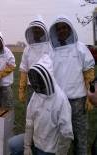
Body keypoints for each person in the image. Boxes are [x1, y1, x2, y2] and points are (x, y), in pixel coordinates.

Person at [8, 54, 73, 155]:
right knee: (13, 144)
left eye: (41, 77)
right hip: (35, 140)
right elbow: (29, 122)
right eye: (37, 76)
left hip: (49, 149)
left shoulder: (60, 100)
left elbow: (66, 134)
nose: (38, 80)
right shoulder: (36, 95)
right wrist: (27, 147)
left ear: (49, 77)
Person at [48, 14, 95, 155]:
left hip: (78, 102)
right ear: (55, 32)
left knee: (79, 138)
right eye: (59, 29)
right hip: (58, 103)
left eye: (64, 28)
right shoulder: (52, 52)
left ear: (69, 29)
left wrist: (89, 95)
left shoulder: (80, 48)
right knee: (58, 138)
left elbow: (89, 73)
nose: (61, 31)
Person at [19, 14, 51, 105]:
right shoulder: (27, 49)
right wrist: (22, 90)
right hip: (31, 86)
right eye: (34, 28)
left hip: (46, 85)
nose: (36, 30)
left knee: (46, 110)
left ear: (43, 29)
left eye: (38, 27)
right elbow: (24, 70)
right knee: (32, 111)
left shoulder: (49, 46)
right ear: (31, 30)